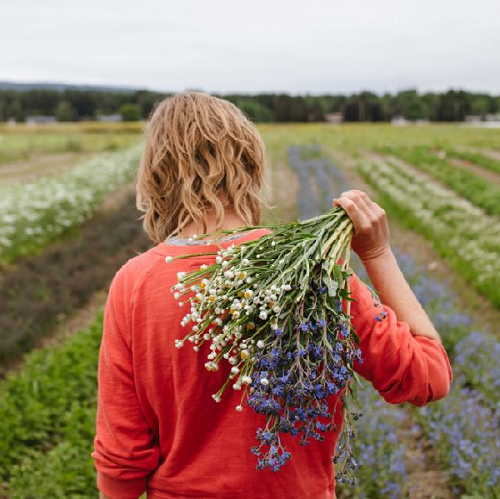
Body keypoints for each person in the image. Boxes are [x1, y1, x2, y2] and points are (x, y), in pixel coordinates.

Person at [91, 91, 453, 499]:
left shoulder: (135, 284)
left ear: (155, 176)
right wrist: (377, 253)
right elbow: (429, 377)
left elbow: (122, 459)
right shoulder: (316, 274)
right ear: (249, 165)